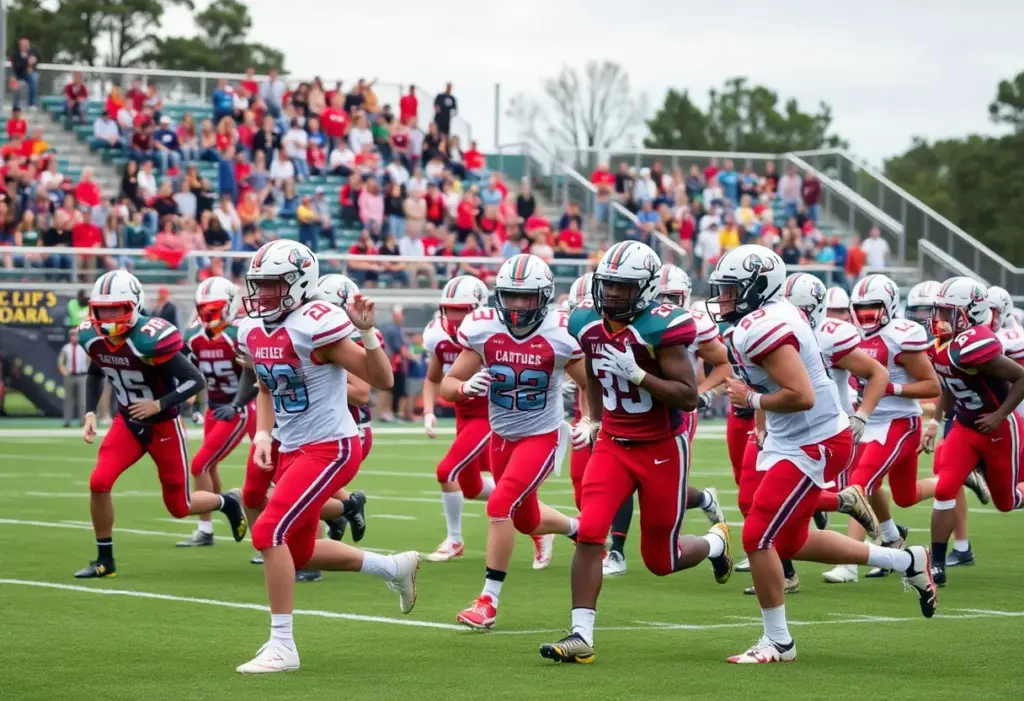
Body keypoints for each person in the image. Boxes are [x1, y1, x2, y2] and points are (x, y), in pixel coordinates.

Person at [703, 245, 934, 664]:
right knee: (791, 539)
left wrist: (752, 399)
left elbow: (802, 395)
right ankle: (905, 559)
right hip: (796, 438)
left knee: (757, 535)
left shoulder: (762, 325)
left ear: (758, 289)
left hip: (814, 440)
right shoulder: (769, 316)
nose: (723, 299)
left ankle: (779, 642)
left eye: (732, 290)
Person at [539, 245, 730, 664]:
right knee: (590, 532)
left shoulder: (662, 327)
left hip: (662, 447)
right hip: (613, 441)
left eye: (623, 288)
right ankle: (580, 635)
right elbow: (593, 363)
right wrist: (592, 417)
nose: (613, 295)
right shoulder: (586, 319)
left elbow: (688, 397)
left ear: (644, 290)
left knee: (661, 560)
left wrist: (641, 375)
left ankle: (716, 543)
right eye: (608, 286)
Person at [235, 240, 418, 674]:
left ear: (299, 285)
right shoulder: (253, 329)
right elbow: (265, 386)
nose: (261, 295)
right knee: (296, 551)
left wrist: (369, 333)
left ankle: (283, 646)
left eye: (272, 285)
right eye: (258, 285)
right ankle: (393, 566)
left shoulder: (316, 323)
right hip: (293, 448)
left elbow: (381, 379)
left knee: (267, 532)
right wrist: (263, 433)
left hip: (332, 447)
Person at [442, 254, 587, 629]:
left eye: (527, 297)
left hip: (542, 434)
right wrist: (462, 386)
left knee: (500, 502)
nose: (519, 306)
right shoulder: (483, 329)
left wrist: (592, 418)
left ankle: (487, 602)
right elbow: (447, 384)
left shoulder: (559, 333)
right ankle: (580, 529)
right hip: (502, 434)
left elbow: (593, 382)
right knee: (526, 519)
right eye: (511, 296)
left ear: (545, 297)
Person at [73, 271, 248, 579]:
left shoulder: (150, 337)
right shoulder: (92, 337)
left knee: (179, 507)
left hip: (163, 426)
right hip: (126, 423)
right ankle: (105, 560)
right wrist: (89, 413)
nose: (108, 316)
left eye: (116, 308)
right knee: (98, 482)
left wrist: (159, 403)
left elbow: (194, 380)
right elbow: (97, 371)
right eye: (102, 309)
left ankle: (227, 502)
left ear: (134, 305)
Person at [599, 263, 730, 579]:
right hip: (630, 413)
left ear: (684, 297)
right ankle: (616, 551)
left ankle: (683, 537)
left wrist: (705, 393)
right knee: (625, 483)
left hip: (676, 413)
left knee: (662, 488)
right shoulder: (628, 320)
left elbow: (724, 362)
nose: (666, 302)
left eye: (672, 296)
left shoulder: (691, 323)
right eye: (661, 295)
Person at [820, 274, 945, 583]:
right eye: (859, 310)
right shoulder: (849, 335)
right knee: (904, 495)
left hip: (900, 422)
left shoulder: (902, 335)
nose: (865, 318)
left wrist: (893, 389)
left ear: (888, 307)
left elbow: (932, 385)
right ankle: (894, 534)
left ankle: (849, 561)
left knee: (858, 484)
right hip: (868, 418)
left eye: (871, 310)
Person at [923, 278, 1024, 589]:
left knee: (1005, 503)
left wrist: (1000, 414)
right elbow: (949, 386)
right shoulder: (940, 345)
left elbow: (1021, 377)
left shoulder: (975, 345)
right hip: (966, 427)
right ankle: (936, 564)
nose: (939, 318)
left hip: (998, 430)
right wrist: (935, 422)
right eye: (938, 310)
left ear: (971, 313)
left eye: (947, 312)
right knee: (944, 489)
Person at [175, 278, 258, 547]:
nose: (207, 315)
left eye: (215, 308)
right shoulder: (194, 337)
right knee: (209, 466)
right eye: (204, 309)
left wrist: (235, 404)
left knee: (200, 465)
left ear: (230, 306)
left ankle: (218, 520)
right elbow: (189, 374)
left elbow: (258, 376)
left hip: (240, 408)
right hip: (214, 406)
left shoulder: (238, 334)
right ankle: (207, 529)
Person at [422, 276, 499, 561]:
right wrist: (429, 411)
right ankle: (536, 514)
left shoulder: (491, 332)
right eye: (449, 309)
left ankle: (454, 540)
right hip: (462, 415)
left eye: (462, 309)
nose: (454, 316)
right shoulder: (437, 335)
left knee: (446, 471)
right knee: (471, 487)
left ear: (478, 308)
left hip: (489, 415)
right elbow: (432, 378)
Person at [59, 327, 89, 428]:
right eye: (72, 335)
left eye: (75, 334)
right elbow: (61, 362)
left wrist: (88, 371)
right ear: (69, 336)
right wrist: (64, 372)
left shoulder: (84, 347)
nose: (74, 337)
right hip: (70, 376)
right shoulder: (66, 348)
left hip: (82, 375)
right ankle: (67, 421)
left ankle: (83, 420)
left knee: (82, 400)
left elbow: (89, 360)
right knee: (69, 399)